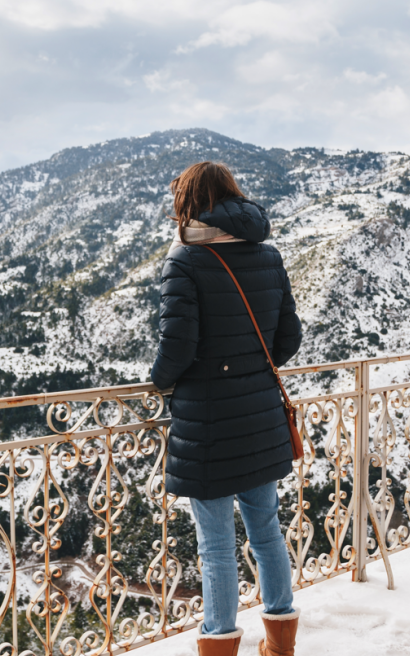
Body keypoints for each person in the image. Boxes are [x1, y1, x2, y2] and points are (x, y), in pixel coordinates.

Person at [150, 161, 303, 656]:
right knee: (267, 532)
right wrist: (251, 367)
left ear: (190, 203)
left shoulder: (185, 260)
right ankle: (280, 641)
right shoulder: (268, 255)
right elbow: (288, 338)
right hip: (259, 417)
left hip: (208, 425)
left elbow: (177, 348)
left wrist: (157, 382)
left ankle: (219, 641)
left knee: (216, 547)